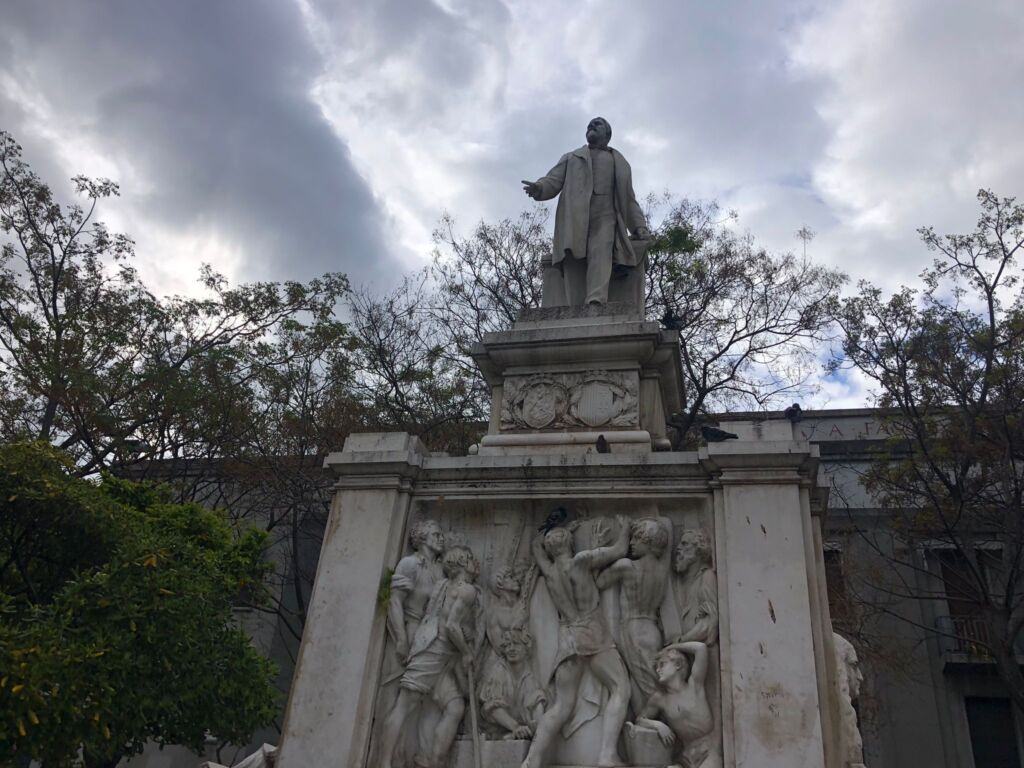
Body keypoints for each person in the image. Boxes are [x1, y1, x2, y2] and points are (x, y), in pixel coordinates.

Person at [521, 516, 633, 768]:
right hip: (592, 632)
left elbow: (536, 546)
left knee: (562, 705)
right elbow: (619, 550)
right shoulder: (581, 562)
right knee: (621, 687)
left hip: (568, 637)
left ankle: (531, 760)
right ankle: (607, 756)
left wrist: (551, 529)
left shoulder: (549, 572)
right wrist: (625, 528)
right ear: (570, 542)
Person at [522, 117, 650, 306]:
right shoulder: (572, 157)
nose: (591, 126)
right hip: (575, 216)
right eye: (589, 124)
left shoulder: (618, 162)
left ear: (607, 134)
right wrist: (539, 188)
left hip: (606, 214)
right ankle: (574, 306)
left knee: (601, 250)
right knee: (572, 255)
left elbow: (628, 198)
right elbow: (553, 180)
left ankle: (596, 299)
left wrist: (639, 226)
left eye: (597, 124)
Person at [379, 545, 483, 768]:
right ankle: (384, 763)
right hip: (434, 652)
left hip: (439, 655)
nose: (477, 564)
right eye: (472, 559)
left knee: (455, 706)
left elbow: (440, 617)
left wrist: (466, 634)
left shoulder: (443, 585)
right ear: (464, 562)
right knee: (405, 704)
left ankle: (431, 761)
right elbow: (452, 626)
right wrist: (467, 652)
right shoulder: (468, 590)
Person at [597, 517, 672, 713]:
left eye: (636, 539)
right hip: (653, 630)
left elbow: (600, 582)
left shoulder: (626, 566)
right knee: (647, 682)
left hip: (632, 629)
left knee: (646, 688)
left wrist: (602, 546)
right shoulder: (663, 570)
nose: (631, 543)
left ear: (648, 542)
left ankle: (648, 725)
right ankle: (645, 727)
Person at [626, 641, 722, 768]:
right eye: (657, 668)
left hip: (708, 751)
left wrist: (672, 647)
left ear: (677, 664)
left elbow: (701, 648)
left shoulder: (694, 685)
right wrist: (658, 725)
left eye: (662, 664)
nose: (658, 670)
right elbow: (640, 720)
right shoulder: (660, 699)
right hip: (686, 757)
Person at [480, 627, 546, 740]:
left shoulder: (529, 675)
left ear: (526, 648)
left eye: (516, 644)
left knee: (538, 697)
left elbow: (534, 702)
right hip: (498, 727)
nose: (511, 649)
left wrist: (539, 725)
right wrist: (515, 727)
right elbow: (494, 709)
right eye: (507, 645)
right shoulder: (499, 671)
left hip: (522, 728)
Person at [673, 530, 718, 646]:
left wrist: (682, 641)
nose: (678, 549)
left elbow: (710, 622)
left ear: (699, 549)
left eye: (684, 544)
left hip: (700, 653)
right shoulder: (676, 583)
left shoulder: (706, 577)